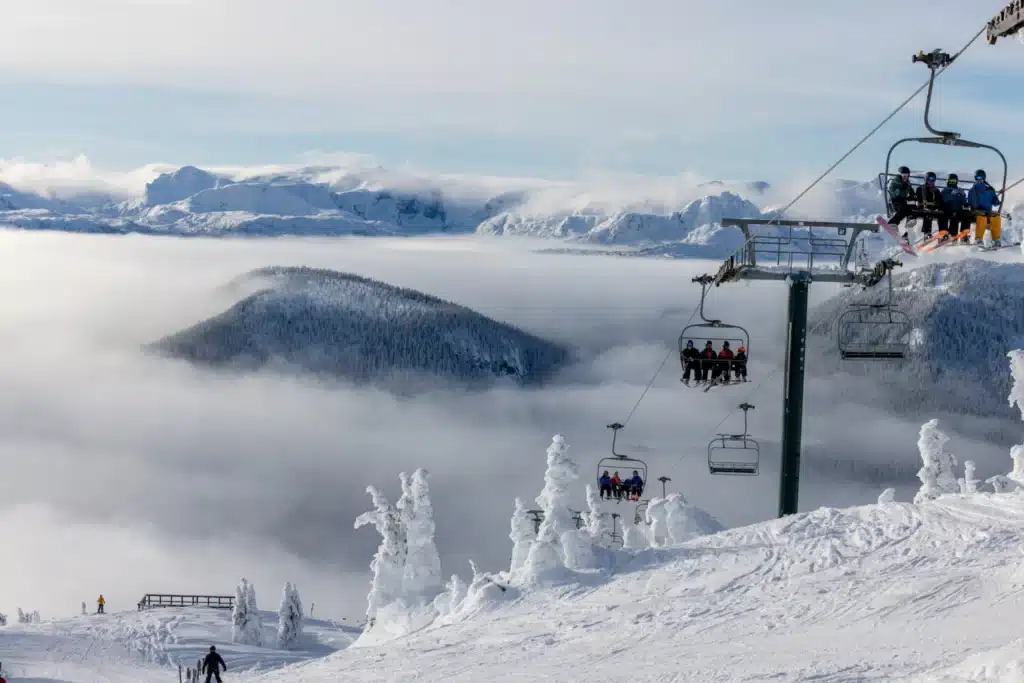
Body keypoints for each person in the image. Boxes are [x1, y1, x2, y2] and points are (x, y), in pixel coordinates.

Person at [968, 169, 1003, 246]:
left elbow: (995, 201)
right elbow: (971, 202)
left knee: (996, 216)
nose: (978, 180)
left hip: (988, 211)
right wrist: (976, 206)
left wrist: (997, 201)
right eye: (977, 178)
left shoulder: (990, 190)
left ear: (984, 178)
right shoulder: (973, 190)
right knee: (982, 216)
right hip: (977, 211)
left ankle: (996, 239)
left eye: (980, 177)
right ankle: (979, 239)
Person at [940, 173, 972, 243]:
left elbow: (964, 201)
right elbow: (942, 200)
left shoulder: (960, 190)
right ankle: (952, 235)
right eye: (951, 181)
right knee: (953, 217)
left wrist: (965, 204)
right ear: (948, 181)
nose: (952, 182)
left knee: (966, 215)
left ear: (956, 182)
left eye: (954, 181)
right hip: (948, 209)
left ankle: (964, 235)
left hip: (958, 210)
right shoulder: (945, 191)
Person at [886, 166, 915, 236]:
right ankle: (892, 222)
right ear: (900, 175)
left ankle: (908, 230)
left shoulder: (907, 183)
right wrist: (902, 190)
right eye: (904, 175)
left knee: (912, 209)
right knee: (904, 208)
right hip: (895, 200)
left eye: (907, 175)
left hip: (903, 200)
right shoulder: (895, 181)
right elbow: (892, 190)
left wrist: (913, 196)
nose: (906, 177)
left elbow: (911, 191)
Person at [914, 171, 943, 240]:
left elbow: (939, 201)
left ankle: (942, 234)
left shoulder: (936, 190)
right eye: (930, 179)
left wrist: (937, 204)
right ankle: (927, 234)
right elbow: (918, 199)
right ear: (926, 179)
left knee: (943, 216)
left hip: (933, 210)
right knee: (928, 215)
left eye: (934, 179)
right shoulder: (921, 189)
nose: (932, 181)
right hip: (923, 209)